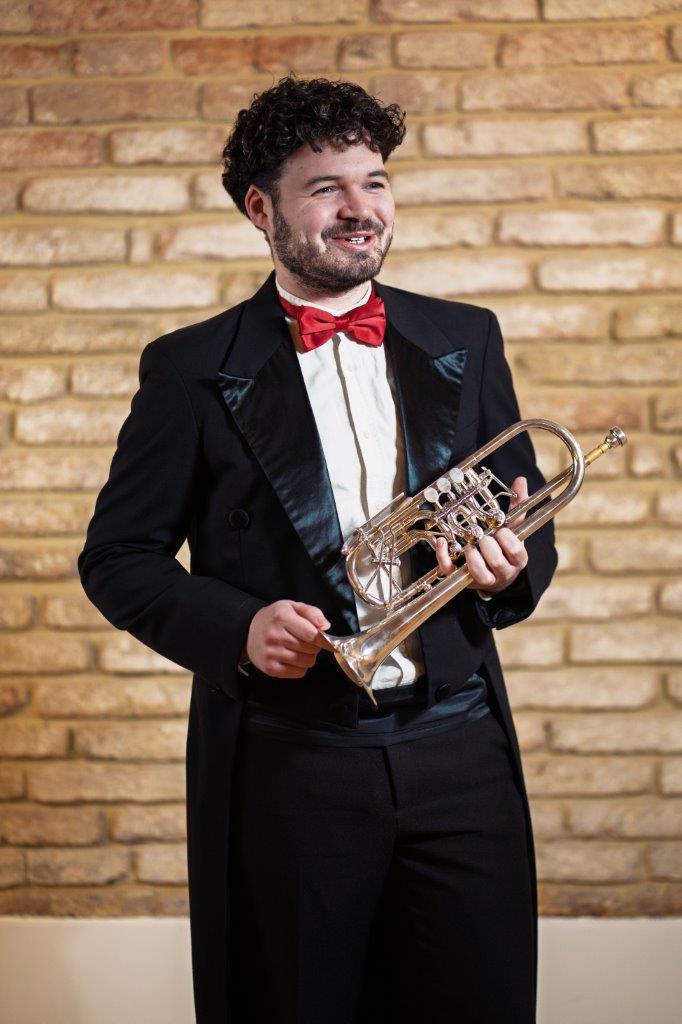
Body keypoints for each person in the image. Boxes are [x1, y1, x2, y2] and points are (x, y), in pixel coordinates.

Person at [77, 75, 557, 1024]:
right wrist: (239, 627)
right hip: (294, 760)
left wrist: (509, 570)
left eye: (374, 182)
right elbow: (118, 557)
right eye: (325, 187)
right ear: (261, 209)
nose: (359, 209)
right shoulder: (190, 367)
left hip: (459, 747)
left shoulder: (466, 337)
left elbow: (524, 520)